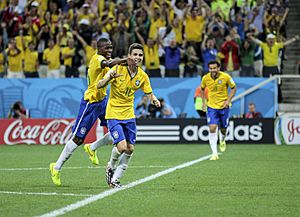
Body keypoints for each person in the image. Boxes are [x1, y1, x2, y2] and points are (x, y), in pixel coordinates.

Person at [49, 38, 128, 186]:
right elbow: (109, 64)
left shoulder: (107, 61)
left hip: (103, 102)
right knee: (78, 139)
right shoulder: (98, 59)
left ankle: (92, 148)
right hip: (90, 103)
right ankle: (56, 166)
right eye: (107, 48)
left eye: (111, 48)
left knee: (116, 132)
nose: (109, 50)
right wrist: (127, 59)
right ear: (99, 49)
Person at [97, 43, 161, 188]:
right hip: (113, 113)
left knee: (130, 149)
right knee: (122, 146)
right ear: (129, 55)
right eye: (135, 54)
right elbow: (99, 85)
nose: (137, 57)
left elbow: (149, 92)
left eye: (140, 55)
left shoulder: (142, 75)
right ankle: (110, 167)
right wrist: (108, 78)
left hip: (129, 115)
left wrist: (154, 100)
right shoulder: (117, 69)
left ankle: (116, 180)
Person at [200, 60, 236, 160]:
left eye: (214, 68)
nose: (213, 70)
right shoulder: (205, 78)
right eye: (211, 68)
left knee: (223, 129)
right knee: (212, 128)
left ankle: (222, 140)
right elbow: (202, 89)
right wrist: (204, 102)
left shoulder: (226, 77)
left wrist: (228, 100)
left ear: (218, 68)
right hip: (211, 107)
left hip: (224, 106)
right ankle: (214, 153)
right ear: (208, 69)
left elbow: (233, 88)